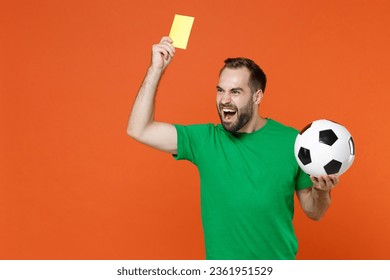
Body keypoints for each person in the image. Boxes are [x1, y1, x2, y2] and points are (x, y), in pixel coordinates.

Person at [127, 36, 339, 260]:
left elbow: (314, 212)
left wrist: (322, 191)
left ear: (257, 96)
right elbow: (139, 129)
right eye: (220, 90)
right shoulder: (205, 140)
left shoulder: (294, 142)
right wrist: (156, 68)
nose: (224, 100)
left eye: (235, 92)